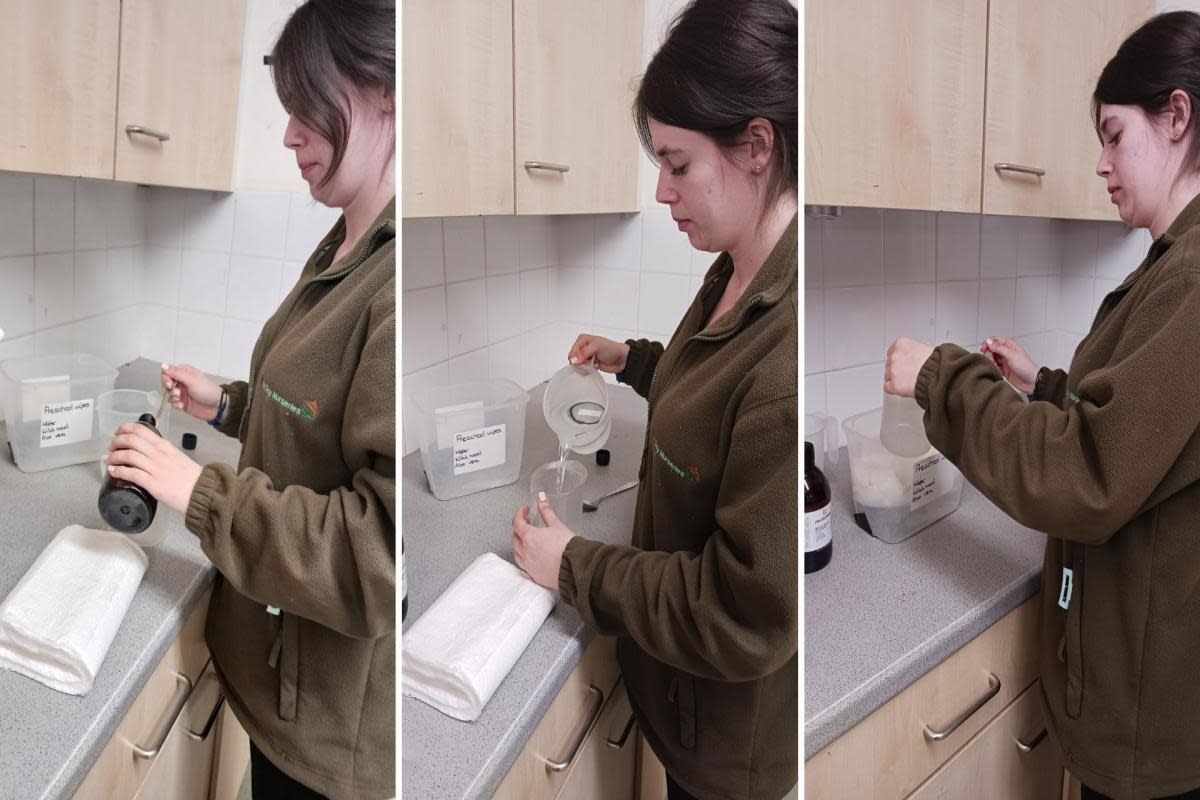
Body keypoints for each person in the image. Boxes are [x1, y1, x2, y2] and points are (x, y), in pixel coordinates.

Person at [884, 11, 1200, 800]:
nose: (1099, 163)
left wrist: (939, 379)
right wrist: (1049, 386)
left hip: (1149, 724)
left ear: (1178, 116)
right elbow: (1152, 424)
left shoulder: (1192, 276)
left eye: (1113, 134)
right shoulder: (1174, 266)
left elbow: (1085, 475)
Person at [103, 1, 395, 798]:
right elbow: (322, 421)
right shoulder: (345, 244)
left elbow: (379, 557)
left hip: (333, 736)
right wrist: (230, 404)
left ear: (387, 96)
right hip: (275, 672)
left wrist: (195, 488)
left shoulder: (391, 283)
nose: (289, 135)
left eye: (308, 108)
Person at [510, 1, 798, 798]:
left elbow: (743, 612)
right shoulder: (738, 269)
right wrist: (635, 360)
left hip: (730, 748)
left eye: (677, 163)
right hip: (682, 695)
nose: (664, 192)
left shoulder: (786, 349)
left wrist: (575, 565)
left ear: (756, 145)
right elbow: (714, 380)